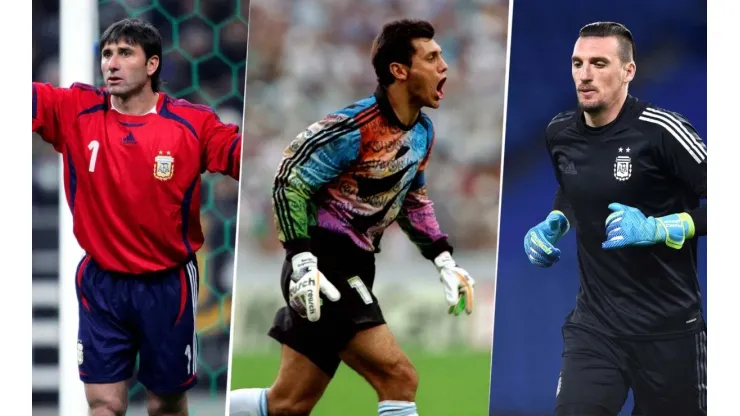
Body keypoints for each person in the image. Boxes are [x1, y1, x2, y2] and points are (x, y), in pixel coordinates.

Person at [229, 18, 475, 416]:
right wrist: (302, 260)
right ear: (400, 71)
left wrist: (443, 258)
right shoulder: (353, 127)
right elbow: (288, 179)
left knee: (288, 404)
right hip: (325, 267)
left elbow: (412, 199)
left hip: (358, 263)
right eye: (431, 57)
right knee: (399, 378)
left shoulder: (422, 132)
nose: (444, 65)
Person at [32, 18, 242, 416]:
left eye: (125, 53)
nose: (112, 62)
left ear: (152, 65)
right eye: (107, 54)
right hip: (102, 282)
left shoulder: (191, 123)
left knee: (164, 405)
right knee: (104, 404)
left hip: (166, 284)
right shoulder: (76, 109)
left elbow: (240, 156)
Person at [523, 21, 707, 416]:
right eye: (577, 63)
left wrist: (660, 228)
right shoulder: (559, 133)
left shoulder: (663, 131)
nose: (585, 74)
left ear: (629, 71)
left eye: (599, 63)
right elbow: (573, 189)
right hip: (596, 327)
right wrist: (555, 221)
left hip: (670, 332)